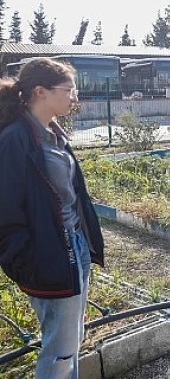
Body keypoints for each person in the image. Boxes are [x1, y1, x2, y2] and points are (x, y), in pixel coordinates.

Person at [0, 58, 105, 378]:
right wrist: (27, 262)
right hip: (50, 254)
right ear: (40, 92)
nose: (75, 97)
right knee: (60, 350)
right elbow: (6, 211)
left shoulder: (53, 133)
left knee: (70, 341)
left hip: (75, 247)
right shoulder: (15, 139)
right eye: (69, 90)